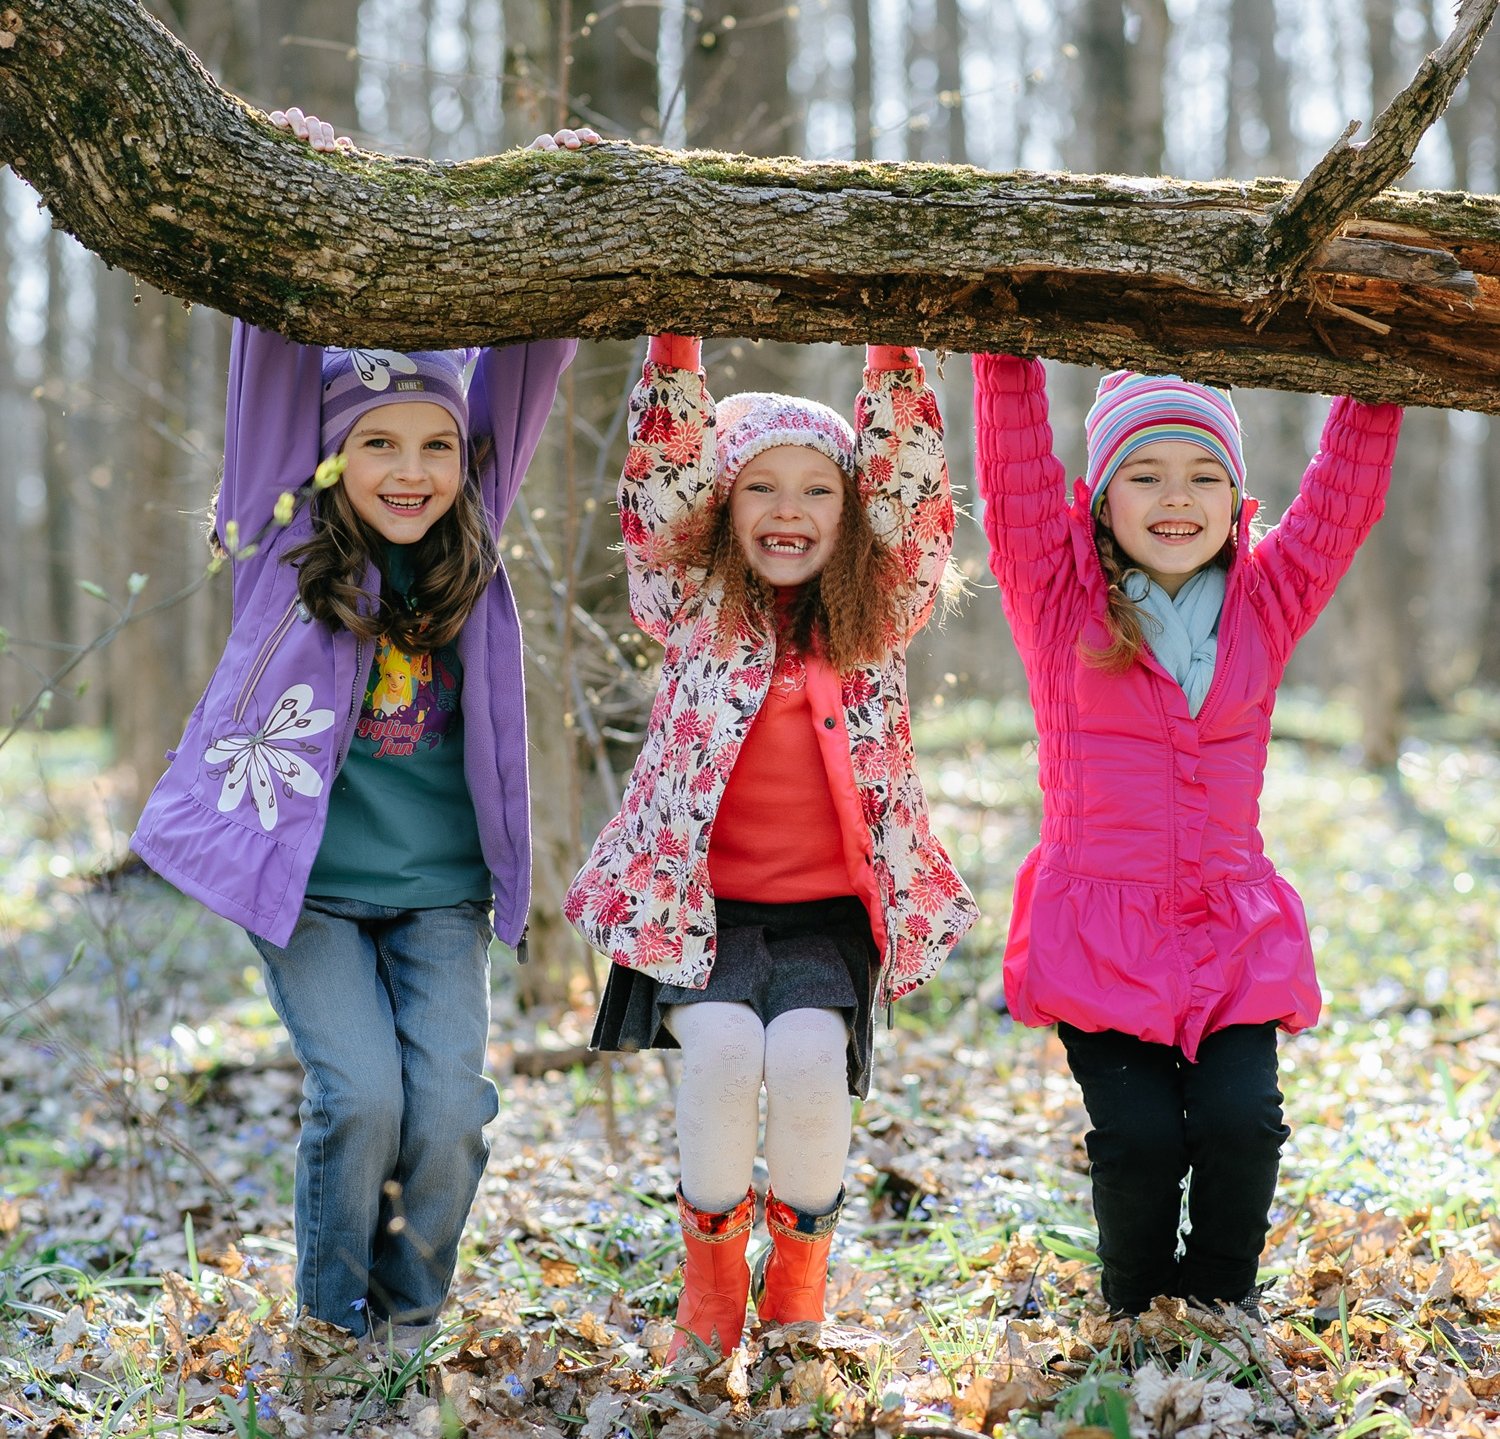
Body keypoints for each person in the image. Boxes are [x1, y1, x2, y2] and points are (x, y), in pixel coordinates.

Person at [132, 111, 598, 1348]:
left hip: (442, 894)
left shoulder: (474, 535)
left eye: (435, 444)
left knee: (447, 1107)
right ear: (328, 463)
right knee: (361, 1093)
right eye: (375, 445)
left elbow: (529, 364)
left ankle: (408, 1319)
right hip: (313, 894)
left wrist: (559, 198)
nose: (410, 468)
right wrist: (296, 195)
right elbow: (275, 369)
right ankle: (333, 1324)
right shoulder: (281, 537)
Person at [566, 334, 978, 1358]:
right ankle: (710, 1295)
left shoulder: (873, 618)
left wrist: (893, 362)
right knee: (718, 1052)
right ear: (723, 505)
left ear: (850, 516)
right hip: (700, 911)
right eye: (761, 488)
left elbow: (916, 503)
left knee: (803, 1059)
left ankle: (796, 1286)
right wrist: (674, 348)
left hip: (826, 916)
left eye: (818, 492)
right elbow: (659, 481)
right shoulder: (691, 604)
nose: (789, 511)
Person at [972, 354, 1403, 1317]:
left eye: (1204, 474)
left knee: (1241, 1122)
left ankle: (1216, 1309)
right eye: (1147, 473)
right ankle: (1133, 1312)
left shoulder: (1267, 597)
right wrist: (1006, 350)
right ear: (1100, 496)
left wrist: (1375, 374)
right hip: (1100, 932)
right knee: (1140, 1139)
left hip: (1230, 929)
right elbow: (1012, 475)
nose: (1178, 497)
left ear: (1237, 496)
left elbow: (1341, 501)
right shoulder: (1058, 596)